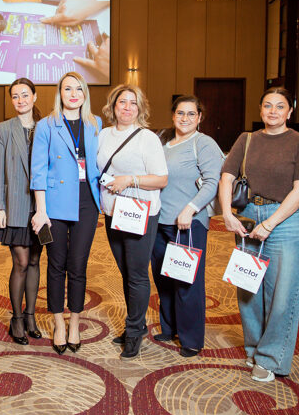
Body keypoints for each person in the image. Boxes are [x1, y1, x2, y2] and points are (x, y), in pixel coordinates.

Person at [220, 87, 299, 383]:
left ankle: (270, 358)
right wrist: (227, 213)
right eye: (268, 105)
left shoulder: (296, 141)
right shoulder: (247, 139)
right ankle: (254, 347)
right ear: (260, 109)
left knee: (283, 291)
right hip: (248, 215)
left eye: (280, 106)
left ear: (290, 111)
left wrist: (271, 224)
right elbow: (226, 177)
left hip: (285, 218)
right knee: (247, 284)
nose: (273, 111)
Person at [31, 72, 102, 354]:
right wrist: (41, 210)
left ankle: (75, 321)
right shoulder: (46, 125)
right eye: (68, 89)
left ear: (85, 93)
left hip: (87, 202)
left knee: (78, 265)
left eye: (79, 89)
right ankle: (58, 322)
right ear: (59, 93)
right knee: (56, 264)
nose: (73, 94)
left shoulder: (95, 123)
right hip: (55, 202)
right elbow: (38, 170)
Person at [97, 84, 168, 360]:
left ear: (140, 108)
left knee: (137, 275)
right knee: (126, 272)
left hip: (141, 214)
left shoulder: (147, 138)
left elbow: (161, 179)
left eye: (133, 103)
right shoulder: (103, 135)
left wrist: (129, 180)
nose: (127, 107)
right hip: (113, 212)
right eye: (122, 102)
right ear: (113, 106)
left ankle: (135, 330)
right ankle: (134, 324)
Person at [151, 96, 223, 357]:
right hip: (159, 221)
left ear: (199, 117)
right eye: (180, 113)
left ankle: (191, 338)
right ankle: (170, 327)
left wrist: (190, 209)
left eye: (191, 114)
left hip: (188, 223)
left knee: (187, 282)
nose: (185, 118)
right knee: (163, 277)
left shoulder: (203, 144)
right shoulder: (163, 143)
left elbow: (212, 182)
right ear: (173, 115)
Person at [0, 78, 43, 344]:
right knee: (21, 262)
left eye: (25, 95)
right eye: (15, 96)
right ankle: (17, 318)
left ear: (34, 97)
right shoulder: (4, 129)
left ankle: (31, 315)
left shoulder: (46, 127)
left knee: (35, 261)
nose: (20, 100)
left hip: (41, 207)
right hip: (15, 204)